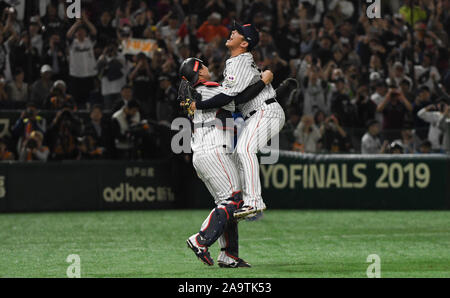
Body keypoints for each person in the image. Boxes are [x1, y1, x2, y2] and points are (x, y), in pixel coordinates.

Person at [179, 57, 273, 268]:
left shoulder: (198, 94)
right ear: (198, 73)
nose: (206, 66)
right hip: (213, 151)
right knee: (234, 201)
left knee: (228, 203)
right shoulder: (208, 89)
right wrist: (263, 82)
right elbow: (241, 99)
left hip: (205, 153)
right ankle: (200, 240)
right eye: (202, 65)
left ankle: (228, 255)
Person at [190, 22, 286, 220]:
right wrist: (263, 82)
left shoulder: (240, 60)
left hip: (265, 112)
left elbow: (227, 98)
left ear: (244, 43)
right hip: (259, 112)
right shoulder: (237, 62)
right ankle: (244, 202)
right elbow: (238, 99)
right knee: (237, 155)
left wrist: (197, 105)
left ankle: (254, 202)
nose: (232, 32)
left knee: (244, 150)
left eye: (238, 32)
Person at [66, 11, 98, 108]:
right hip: (76, 75)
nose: (81, 33)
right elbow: (68, 35)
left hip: (89, 74)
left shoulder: (89, 42)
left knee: (90, 98)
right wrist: (77, 23)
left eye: (83, 31)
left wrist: (86, 21)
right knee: (77, 99)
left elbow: (94, 32)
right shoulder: (72, 43)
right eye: (78, 31)